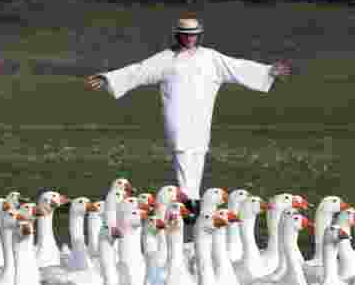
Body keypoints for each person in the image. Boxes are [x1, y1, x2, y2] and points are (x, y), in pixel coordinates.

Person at [85, 16, 292, 218]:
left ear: (199, 35)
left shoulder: (211, 57)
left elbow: (238, 67)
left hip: (201, 113)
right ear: (178, 35)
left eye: (193, 34)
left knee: (198, 152)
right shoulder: (166, 58)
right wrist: (108, 78)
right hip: (177, 112)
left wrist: (268, 71)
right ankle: (188, 200)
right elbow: (138, 70)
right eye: (185, 34)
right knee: (182, 150)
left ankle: (193, 201)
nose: (189, 38)